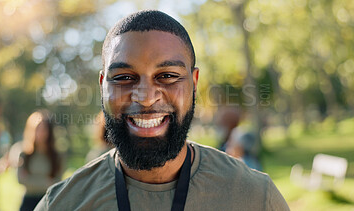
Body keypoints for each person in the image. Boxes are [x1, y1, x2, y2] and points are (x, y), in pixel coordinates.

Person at [35, 10, 289, 210]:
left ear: (194, 83)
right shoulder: (61, 204)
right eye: (124, 77)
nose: (145, 98)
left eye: (167, 75)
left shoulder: (256, 198)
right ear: (103, 86)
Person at [17, 111, 63, 211]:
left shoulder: (57, 156)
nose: (41, 133)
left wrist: (31, 179)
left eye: (44, 129)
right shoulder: (24, 154)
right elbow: (21, 179)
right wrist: (46, 181)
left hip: (48, 202)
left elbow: (57, 183)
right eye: (38, 129)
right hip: (28, 203)